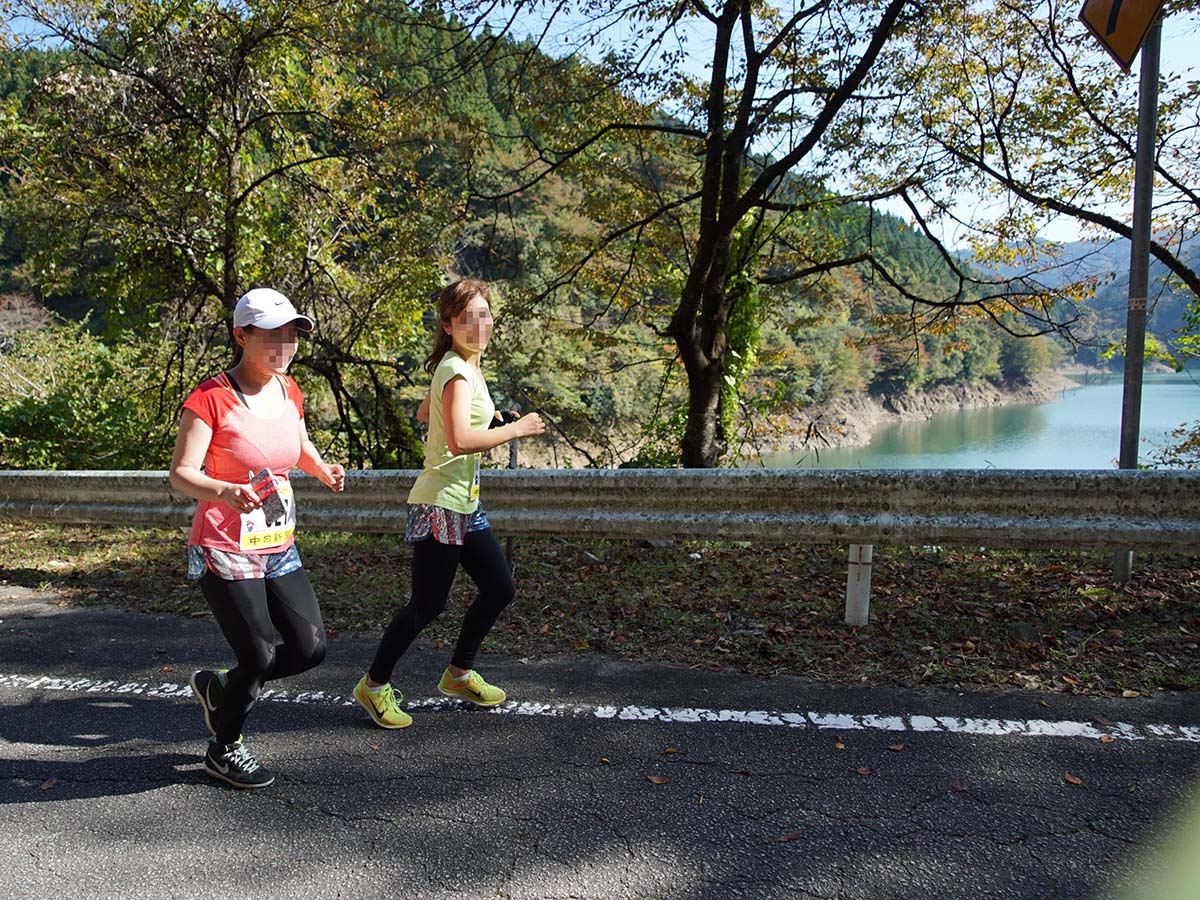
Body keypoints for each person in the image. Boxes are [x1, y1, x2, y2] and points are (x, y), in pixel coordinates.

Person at [169, 287, 345, 789]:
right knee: (261, 654)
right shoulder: (211, 398)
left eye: (291, 335)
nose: (284, 345)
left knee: (310, 648)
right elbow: (182, 474)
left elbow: (299, 443)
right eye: (272, 335)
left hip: (277, 541)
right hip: (223, 544)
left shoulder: (289, 390)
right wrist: (224, 489)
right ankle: (224, 747)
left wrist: (320, 469)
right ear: (241, 335)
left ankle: (221, 688)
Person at [354, 279, 544, 729]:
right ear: (448, 325)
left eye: (484, 315)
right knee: (427, 605)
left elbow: (427, 414)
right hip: (441, 503)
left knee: (500, 588)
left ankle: (459, 672)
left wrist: (492, 419)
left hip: (465, 503)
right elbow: (458, 440)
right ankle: (374, 685)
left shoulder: (463, 368)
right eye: (467, 319)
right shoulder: (457, 369)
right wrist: (515, 430)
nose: (479, 325)